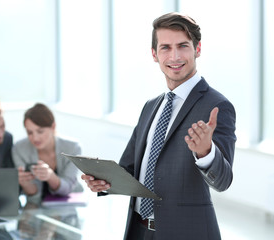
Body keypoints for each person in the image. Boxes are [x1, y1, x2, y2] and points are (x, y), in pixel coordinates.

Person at [82, 12, 236, 240]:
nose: (174, 56)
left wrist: (205, 152)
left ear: (198, 49)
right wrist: (103, 182)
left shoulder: (217, 105)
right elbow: (131, 169)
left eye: (183, 46)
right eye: (165, 47)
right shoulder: (151, 106)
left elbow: (223, 181)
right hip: (140, 230)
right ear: (154, 54)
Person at [12, 103, 83, 204]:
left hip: (69, 204)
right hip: (36, 207)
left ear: (53, 127)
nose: (35, 138)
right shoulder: (19, 148)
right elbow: (32, 196)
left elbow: (67, 188)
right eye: (29, 132)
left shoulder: (73, 148)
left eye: (40, 131)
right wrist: (25, 183)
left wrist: (50, 176)